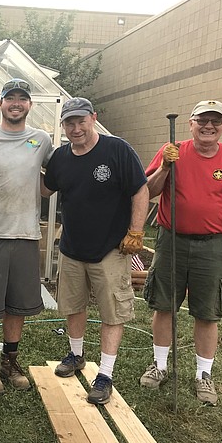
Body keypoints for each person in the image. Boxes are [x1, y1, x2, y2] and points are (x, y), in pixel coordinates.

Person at [139, 100, 222, 405]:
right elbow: (148, 191)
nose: (209, 126)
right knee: (164, 305)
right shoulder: (173, 151)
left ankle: (203, 375)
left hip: (212, 244)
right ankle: (160, 366)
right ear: (190, 123)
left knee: (207, 311)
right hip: (172, 239)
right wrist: (165, 166)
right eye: (202, 120)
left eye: (216, 121)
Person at [41, 97, 149, 405]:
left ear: (93, 118)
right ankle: (75, 356)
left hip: (111, 248)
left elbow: (140, 190)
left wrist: (136, 231)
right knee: (73, 305)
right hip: (73, 247)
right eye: (69, 123)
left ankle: (105, 374)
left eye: (81, 121)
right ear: (63, 126)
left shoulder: (117, 150)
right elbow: (46, 188)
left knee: (112, 311)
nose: (75, 129)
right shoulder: (61, 157)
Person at [0, 78, 54, 393]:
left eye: (22, 98)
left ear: (29, 105)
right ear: (0, 103)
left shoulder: (42, 139)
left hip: (26, 233)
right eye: (10, 98)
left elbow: (53, 176)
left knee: (17, 305)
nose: (16, 103)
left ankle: (10, 361)